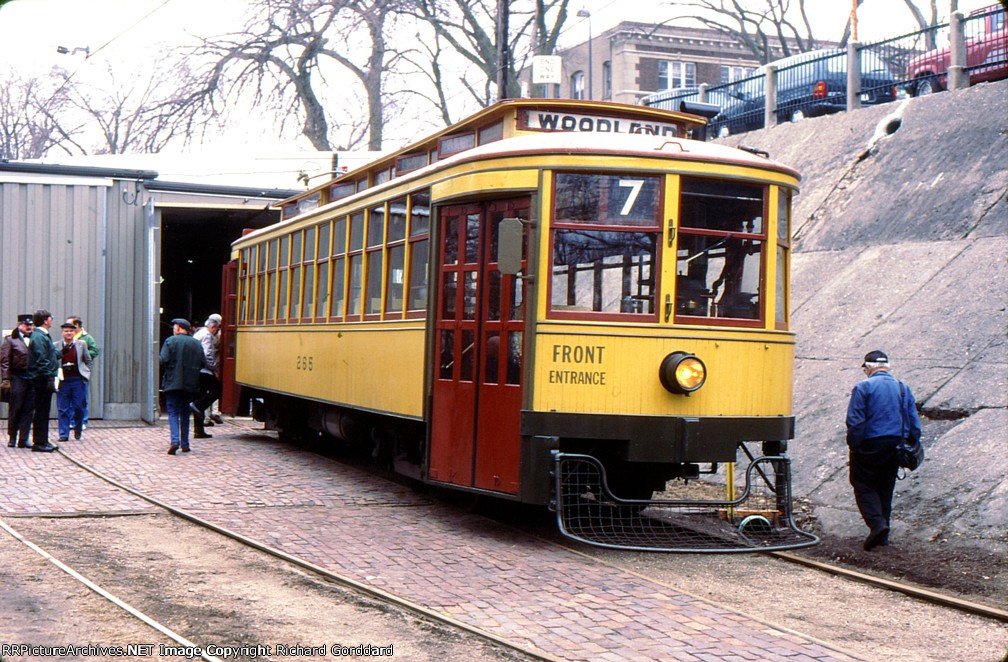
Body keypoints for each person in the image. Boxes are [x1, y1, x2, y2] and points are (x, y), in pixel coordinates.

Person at [845, 350, 922, 551]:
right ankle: (883, 539)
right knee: (885, 488)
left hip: (869, 444)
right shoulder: (902, 387)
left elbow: (855, 421)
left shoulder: (863, 387)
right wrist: (912, 443)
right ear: (887, 367)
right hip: (896, 445)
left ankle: (877, 524)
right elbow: (914, 424)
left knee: (863, 485)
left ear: (868, 367)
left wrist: (855, 446)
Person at [159, 318, 205, 455]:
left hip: (172, 382)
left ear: (178, 328)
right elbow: (203, 362)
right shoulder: (196, 343)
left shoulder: (170, 341)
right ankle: (185, 443)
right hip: (190, 384)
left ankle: (174, 441)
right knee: (185, 413)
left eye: (174, 327)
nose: (173, 329)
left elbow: (163, 359)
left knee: (172, 412)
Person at [26, 310, 59, 452]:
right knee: (41, 411)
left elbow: (49, 355)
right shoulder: (39, 337)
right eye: (51, 318)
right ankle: (39, 442)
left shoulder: (42, 336)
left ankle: (43, 440)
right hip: (41, 379)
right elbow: (41, 359)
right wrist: (49, 376)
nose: (52, 320)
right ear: (45, 320)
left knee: (44, 411)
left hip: (42, 377)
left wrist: (63, 350)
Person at [1, 314, 36, 448]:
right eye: (26, 325)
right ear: (19, 325)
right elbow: (5, 361)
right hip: (17, 378)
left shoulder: (35, 339)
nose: (28, 327)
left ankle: (24, 438)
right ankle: (12, 436)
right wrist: (6, 379)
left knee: (29, 409)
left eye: (30, 325)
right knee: (16, 408)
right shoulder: (11, 340)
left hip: (31, 378)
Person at [55, 322, 92, 442]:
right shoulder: (56, 345)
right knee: (63, 408)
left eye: (71, 331)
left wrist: (87, 373)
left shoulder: (82, 344)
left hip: (77, 380)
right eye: (66, 331)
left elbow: (88, 360)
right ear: (62, 333)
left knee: (79, 407)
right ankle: (63, 434)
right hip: (63, 381)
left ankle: (77, 429)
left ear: (75, 332)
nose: (69, 333)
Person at [189, 314, 222, 439]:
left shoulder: (199, 333)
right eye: (217, 328)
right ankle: (198, 405)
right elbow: (208, 355)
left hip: (195, 370)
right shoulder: (207, 336)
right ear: (213, 326)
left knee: (200, 396)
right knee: (218, 390)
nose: (217, 331)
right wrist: (215, 369)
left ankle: (199, 430)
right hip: (204, 371)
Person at [67, 316, 99, 429]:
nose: (67, 328)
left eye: (70, 325)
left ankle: (83, 421)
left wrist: (82, 354)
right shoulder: (68, 337)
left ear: (77, 325)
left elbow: (94, 351)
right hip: (70, 372)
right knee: (70, 398)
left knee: (82, 398)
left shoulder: (87, 338)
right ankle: (71, 421)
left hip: (81, 372)